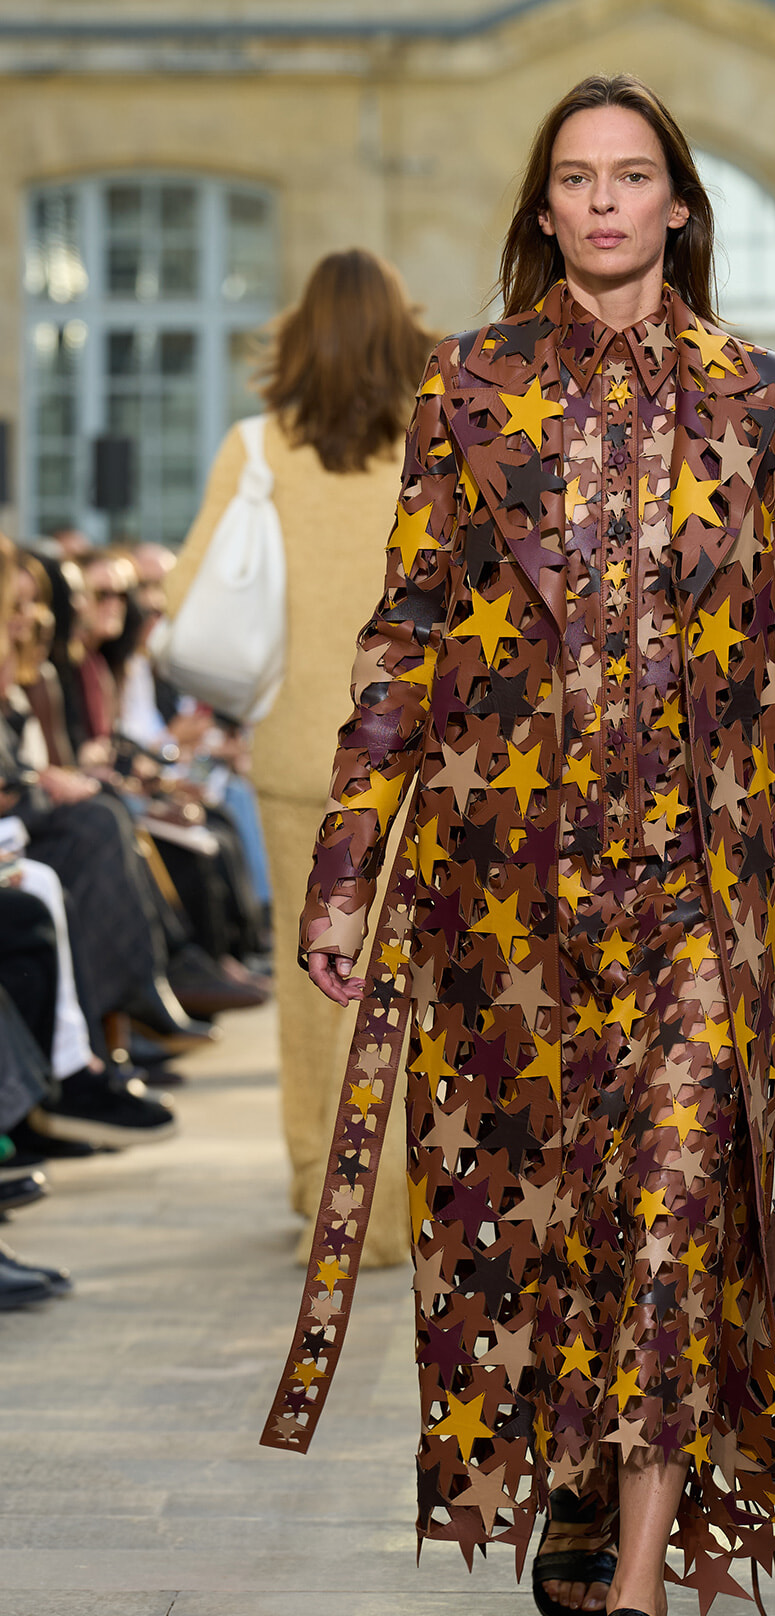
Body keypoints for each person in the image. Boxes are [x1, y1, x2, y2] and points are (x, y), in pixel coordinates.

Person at [267, 75, 775, 1616]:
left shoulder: (764, 399)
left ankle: (635, 1595)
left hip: (707, 891)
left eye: (635, 177)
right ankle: (567, 1480)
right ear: (545, 213)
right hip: (505, 904)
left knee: (681, 1213)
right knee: (524, 1230)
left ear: (682, 204)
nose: (606, 203)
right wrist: (346, 866)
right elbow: (407, 637)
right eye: (576, 180)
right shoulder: (466, 390)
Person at [167, 249, 436, 1267]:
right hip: (416, 743)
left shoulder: (257, 449)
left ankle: (323, 1184)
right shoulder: (438, 435)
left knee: (316, 966)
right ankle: (401, 1191)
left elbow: (188, 592)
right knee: (406, 969)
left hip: (294, 750)